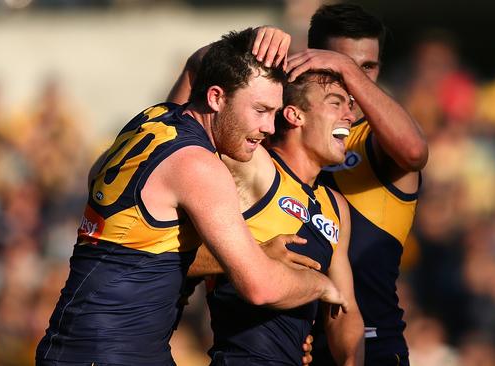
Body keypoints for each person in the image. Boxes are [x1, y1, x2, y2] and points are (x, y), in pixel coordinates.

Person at [35, 28, 346, 366]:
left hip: (88, 345)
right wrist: (321, 285)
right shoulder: (198, 165)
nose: (270, 127)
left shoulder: (153, 118)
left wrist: (250, 40)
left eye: (274, 112)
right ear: (215, 97)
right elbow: (261, 287)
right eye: (260, 110)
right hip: (110, 351)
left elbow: (106, 191)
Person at [170, 63, 364, 364]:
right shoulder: (256, 166)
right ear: (294, 114)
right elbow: (180, 132)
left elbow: (344, 308)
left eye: (350, 105)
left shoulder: (335, 206)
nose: (350, 115)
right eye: (336, 103)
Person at [286, 4, 429, 365]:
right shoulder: (282, 128)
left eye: (368, 68)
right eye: (340, 64)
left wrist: (346, 69)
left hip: (371, 344)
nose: (354, 80)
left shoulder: (375, 140)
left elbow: (414, 152)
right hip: (287, 343)